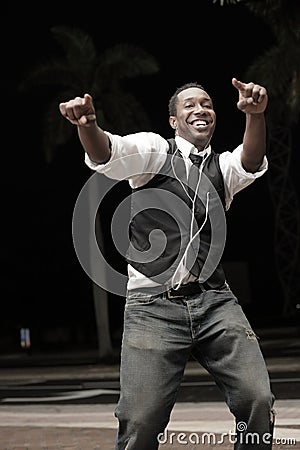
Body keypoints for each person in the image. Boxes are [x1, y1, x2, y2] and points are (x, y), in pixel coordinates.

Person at [59, 77, 276, 449]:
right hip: (153, 307)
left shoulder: (221, 169)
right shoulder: (155, 151)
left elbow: (250, 161)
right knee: (141, 421)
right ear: (174, 121)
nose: (200, 109)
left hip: (214, 303)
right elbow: (108, 153)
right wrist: (88, 126)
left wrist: (255, 116)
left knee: (256, 399)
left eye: (206, 103)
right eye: (189, 105)